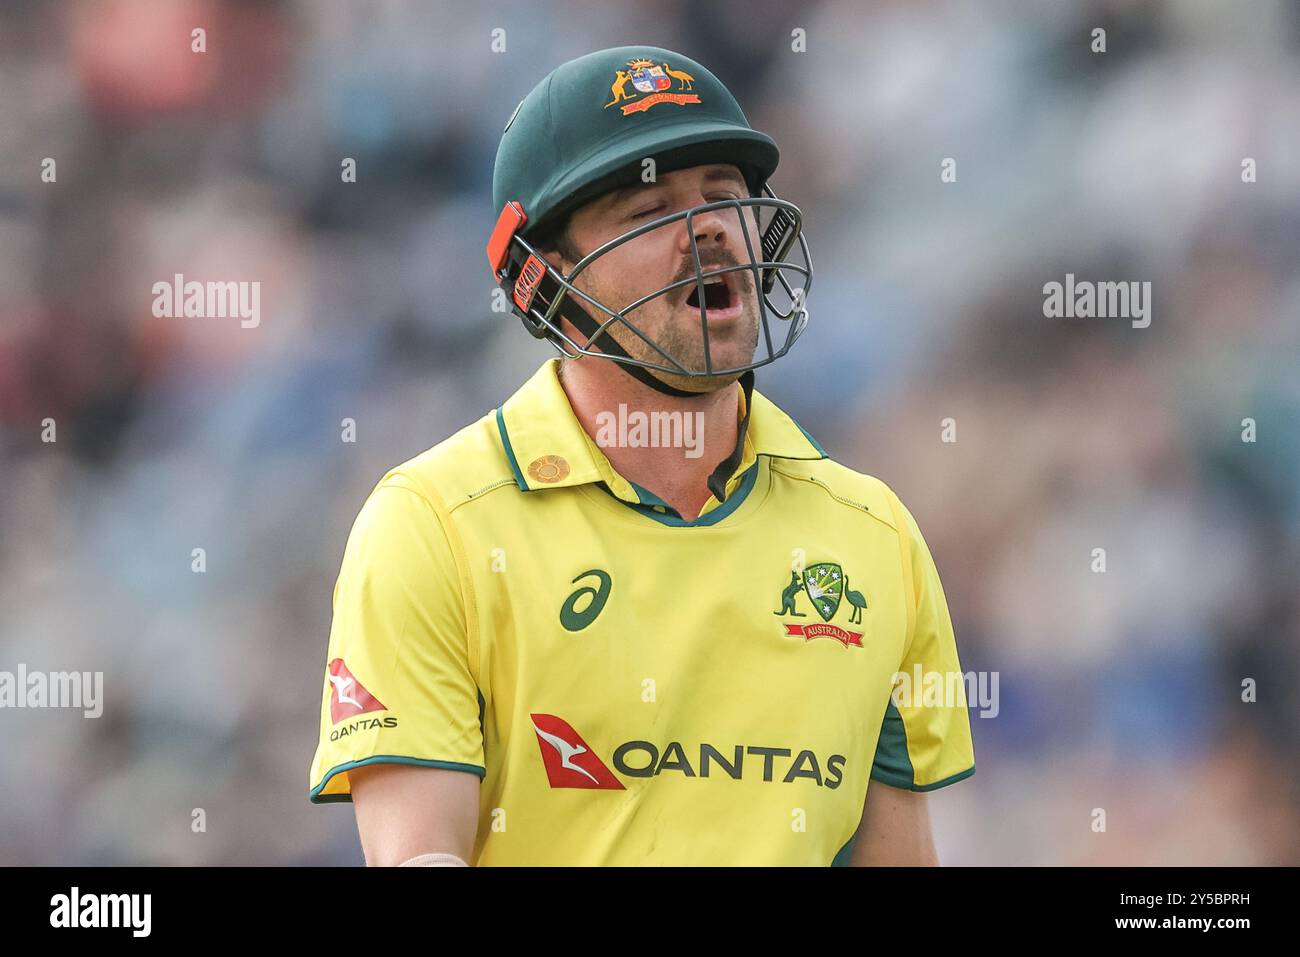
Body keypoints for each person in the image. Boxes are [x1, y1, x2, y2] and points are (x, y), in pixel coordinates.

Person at [308, 45, 975, 866]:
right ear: (547, 281)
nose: (708, 232)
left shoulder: (875, 536)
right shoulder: (433, 525)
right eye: (650, 211)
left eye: (724, 198)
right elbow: (417, 856)